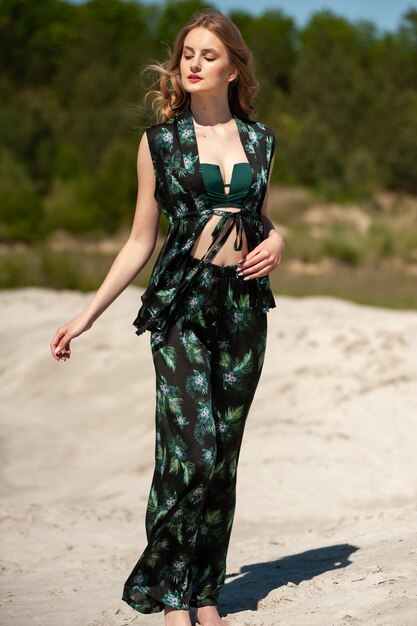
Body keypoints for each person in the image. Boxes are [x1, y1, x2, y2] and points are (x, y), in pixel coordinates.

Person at [50, 9, 284, 626]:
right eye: (187, 54)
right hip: (179, 307)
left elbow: (256, 220)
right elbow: (138, 241)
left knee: (224, 456)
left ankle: (206, 595)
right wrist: (88, 314)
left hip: (242, 312)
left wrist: (279, 239)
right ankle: (171, 593)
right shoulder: (159, 144)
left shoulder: (261, 142)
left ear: (233, 67)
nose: (194, 63)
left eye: (209, 54)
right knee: (193, 453)